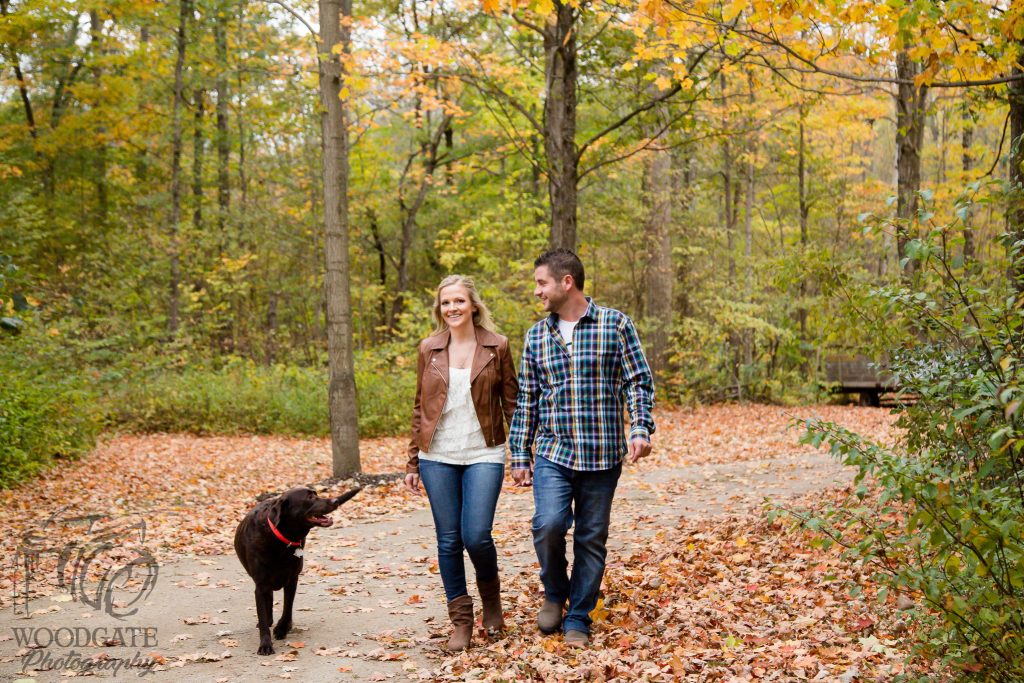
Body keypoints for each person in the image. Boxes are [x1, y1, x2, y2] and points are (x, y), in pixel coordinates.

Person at [508, 248, 655, 647]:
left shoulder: (615, 324)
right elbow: (528, 398)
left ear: (566, 282)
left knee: (591, 538)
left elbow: (638, 382)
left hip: (602, 454)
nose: (537, 291)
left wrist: (640, 428)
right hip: (553, 452)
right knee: (549, 525)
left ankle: (578, 616)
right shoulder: (537, 335)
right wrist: (520, 453)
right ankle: (555, 593)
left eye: (542, 283)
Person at [405, 275, 519, 651]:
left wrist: (522, 453)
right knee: (449, 540)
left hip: (484, 451)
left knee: (476, 535)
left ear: (472, 305)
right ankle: (461, 621)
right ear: (440, 309)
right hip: (437, 456)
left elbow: (512, 403)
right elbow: (420, 406)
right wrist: (412, 462)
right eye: (445, 303)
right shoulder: (429, 348)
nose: (452, 308)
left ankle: (492, 601)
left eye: (458, 301)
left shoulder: (497, 346)